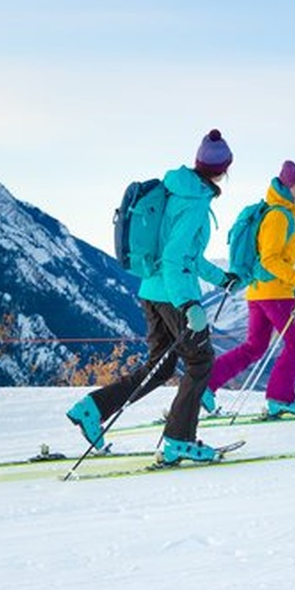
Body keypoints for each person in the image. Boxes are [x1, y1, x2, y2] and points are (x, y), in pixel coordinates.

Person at [66, 129, 240, 464]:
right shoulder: (194, 206)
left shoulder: (176, 192)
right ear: (224, 170)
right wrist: (188, 304)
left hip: (152, 290)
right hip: (176, 296)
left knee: (159, 367)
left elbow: (187, 256)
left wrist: (222, 279)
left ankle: (92, 408)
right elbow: (175, 259)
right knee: (200, 362)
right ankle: (179, 440)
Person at [206, 159, 295, 417]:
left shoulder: (278, 212)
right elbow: (270, 260)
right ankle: (281, 397)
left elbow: (267, 261)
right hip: (273, 293)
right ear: (285, 186)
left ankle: (206, 384)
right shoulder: (279, 215)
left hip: (260, 292)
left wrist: (292, 286)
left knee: (255, 346)